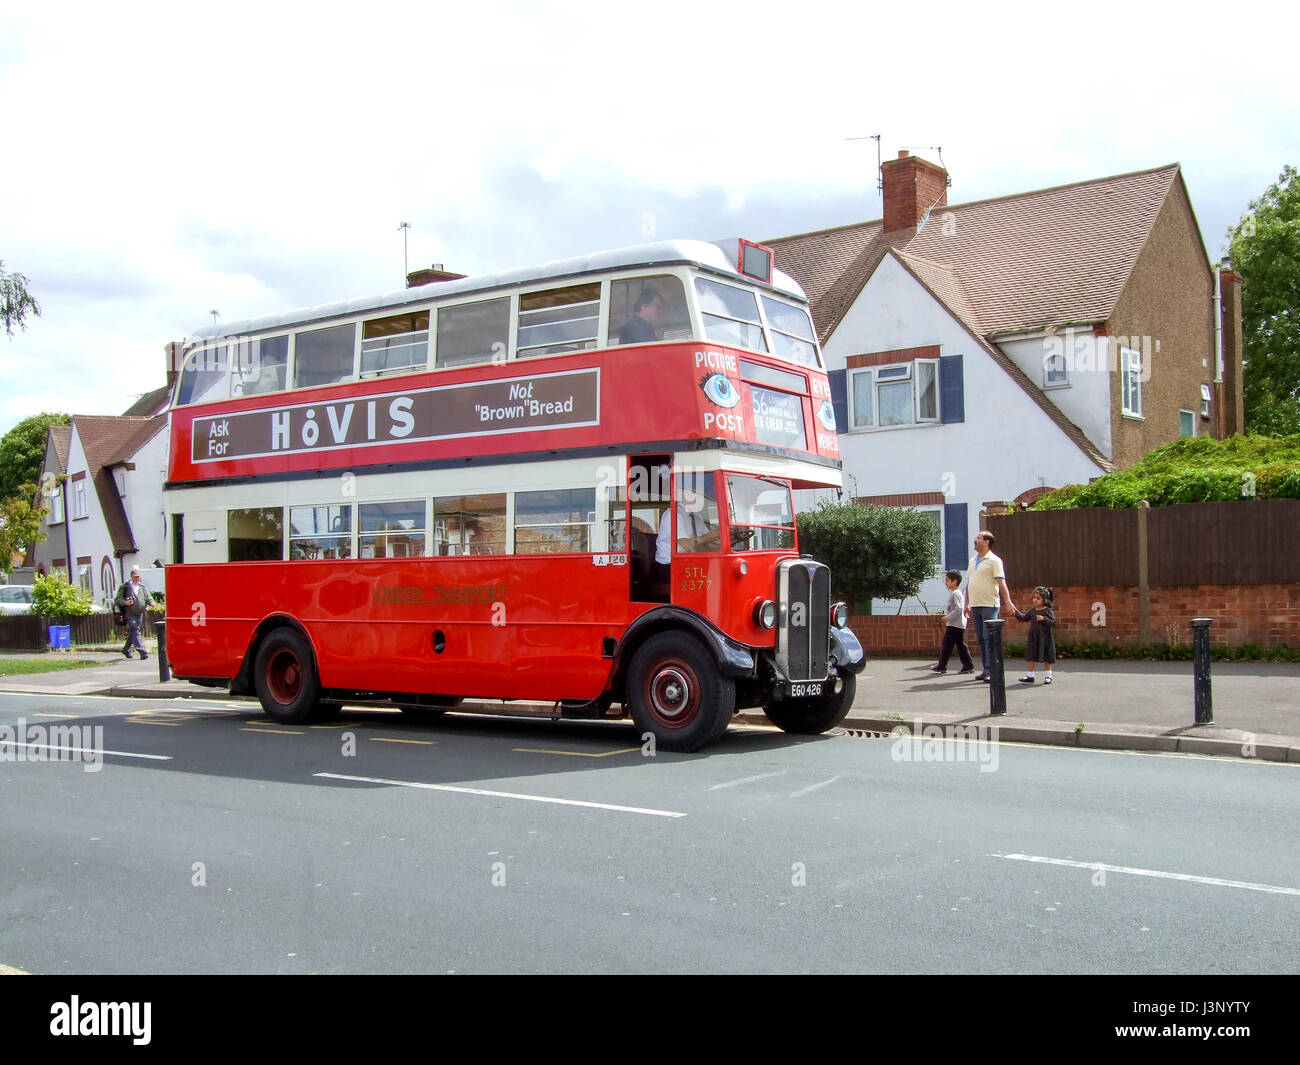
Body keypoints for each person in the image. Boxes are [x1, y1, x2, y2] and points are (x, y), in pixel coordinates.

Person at [964, 530, 1017, 682]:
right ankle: (986, 669)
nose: (975, 540)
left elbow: (1001, 583)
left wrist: (1008, 601)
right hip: (975, 605)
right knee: (981, 639)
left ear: (987, 542)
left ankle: (992, 671)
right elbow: (970, 583)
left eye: (979, 538)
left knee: (989, 639)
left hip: (989, 605)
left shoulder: (995, 560)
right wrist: (967, 603)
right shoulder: (972, 560)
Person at [931, 570, 975, 674]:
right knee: (961, 645)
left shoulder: (955, 594)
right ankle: (968, 666)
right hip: (959, 624)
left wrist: (947, 618)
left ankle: (942, 666)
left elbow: (958, 609)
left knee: (946, 645)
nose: (946, 582)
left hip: (955, 624)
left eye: (947, 580)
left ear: (954, 581)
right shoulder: (958, 593)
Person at [1014, 586, 1057, 684]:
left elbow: (1053, 622)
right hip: (1034, 637)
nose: (1035, 600)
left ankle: (1048, 676)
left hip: (1045, 638)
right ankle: (1030, 675)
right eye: (1034, 598)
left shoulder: (1047, 610)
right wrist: (1015, 613)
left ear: (1045, 599)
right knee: (1031, 656)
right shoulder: (1033, 610)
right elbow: (1023, 618)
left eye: (1038, 598)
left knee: (1047, 657)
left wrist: (1044, 619)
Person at [114, 564, 153, 660]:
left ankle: (126, 649)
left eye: (138, 577)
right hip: (129, 612)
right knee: (135, 631)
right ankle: (142, 651)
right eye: (135, 577)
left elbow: (148, 597)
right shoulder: (125, 587)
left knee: (134, 632)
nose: (137, 578)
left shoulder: (142, 587)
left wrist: (151, 602)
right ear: (131, 577)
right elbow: (118, 599)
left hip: (139, 613)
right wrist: (125, 602)